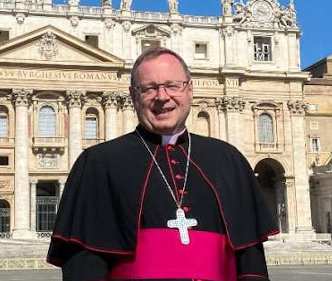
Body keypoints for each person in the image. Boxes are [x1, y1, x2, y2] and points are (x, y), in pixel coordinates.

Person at [48, 47, 277, 280]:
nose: (162, 96)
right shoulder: (98, 163)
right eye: (149, 88)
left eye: (172, 85)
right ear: (133, 95)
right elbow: (84, 266)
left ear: (190, 89)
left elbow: (251, 262)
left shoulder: (228, 159)